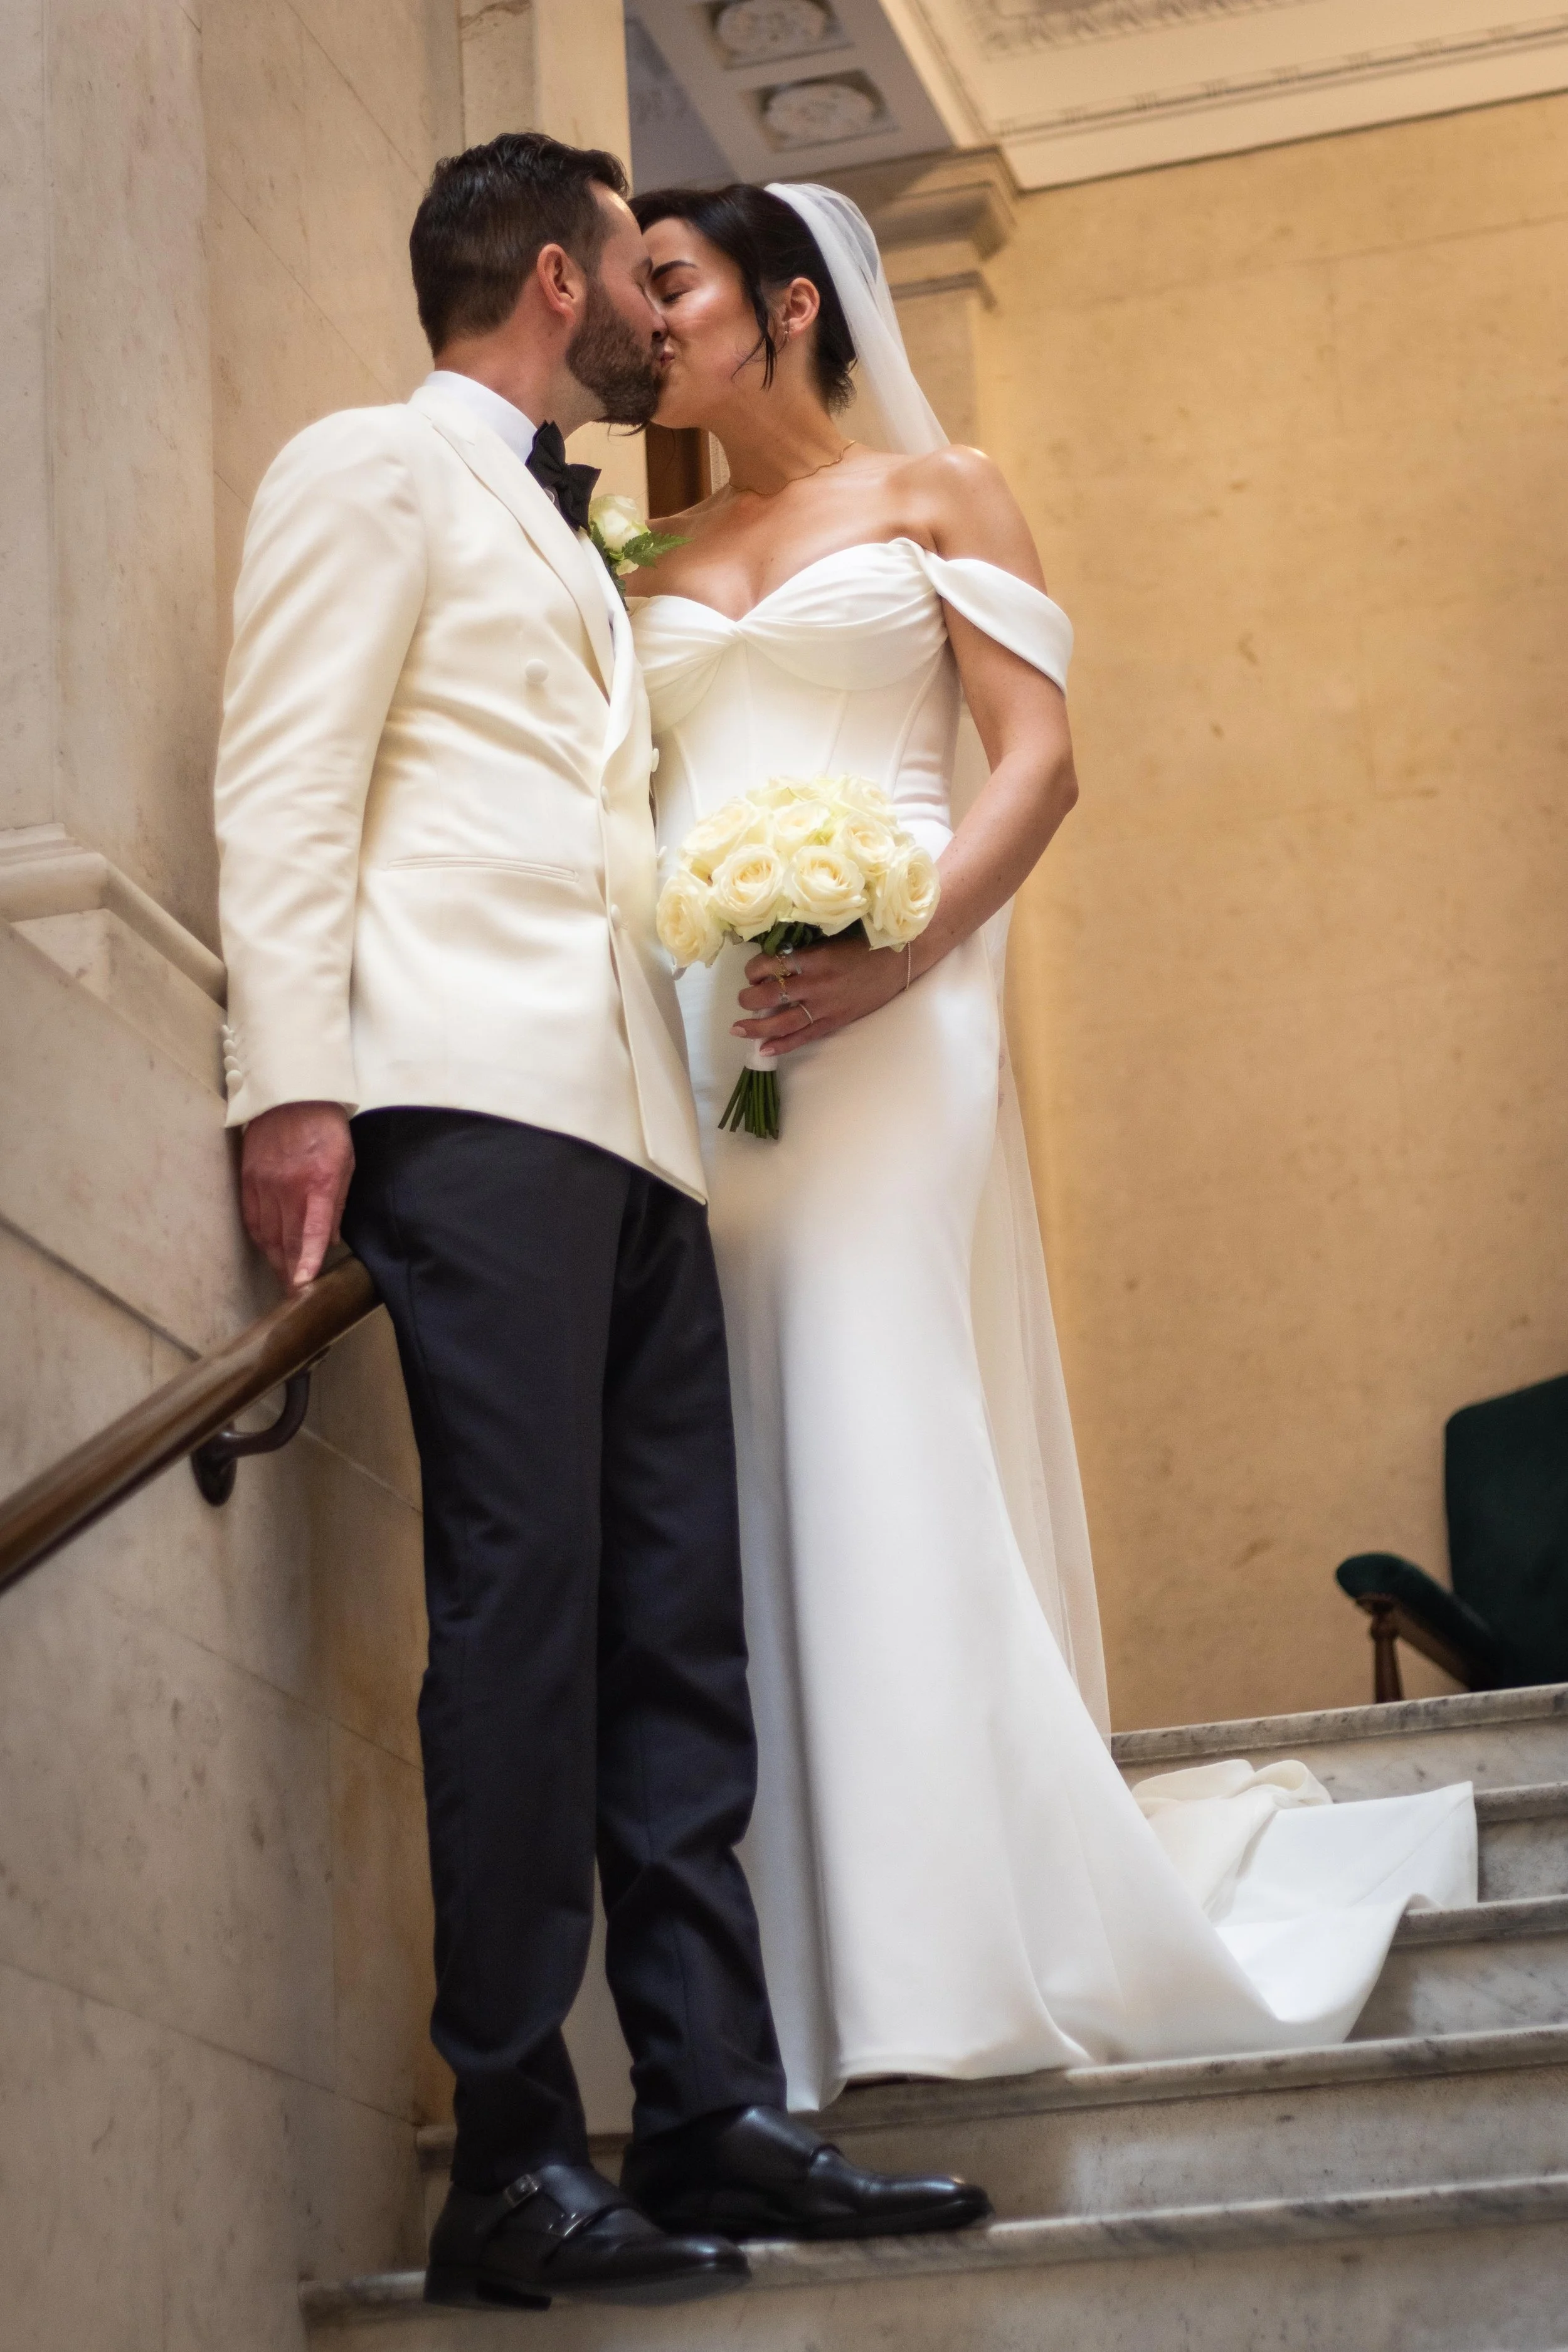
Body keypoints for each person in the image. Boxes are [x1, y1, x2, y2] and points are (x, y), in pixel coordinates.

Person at [213, 134, 990, 2317]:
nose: (667, 307)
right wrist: (291, 1083)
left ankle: (714, 2093)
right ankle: (516, 2156)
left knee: (673, 1621)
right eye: (632, 275)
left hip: (643, 1128)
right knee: (526, 1606)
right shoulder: (366, 469)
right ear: (561, 284)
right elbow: (286, 774)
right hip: (469, 1106)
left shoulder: (580, 526)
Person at [627, 179, 1478, 2114]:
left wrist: (900, 945)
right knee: (732, 1443)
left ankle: (933, 1955)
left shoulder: (940, 492)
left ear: (780, 304)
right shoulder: (639, 548)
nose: (640, 315)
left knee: (870, 1403)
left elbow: (1038, 754)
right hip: (705, 1026)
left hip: (896, 1010)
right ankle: (768, 1972)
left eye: (668, 281)